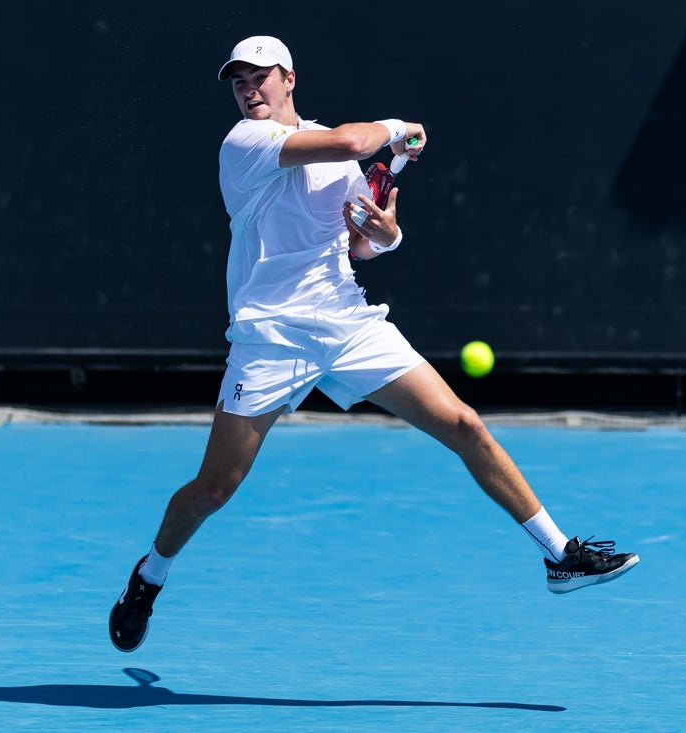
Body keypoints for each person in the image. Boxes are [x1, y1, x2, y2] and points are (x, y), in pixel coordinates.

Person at [109, 35, 639, 653]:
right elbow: (352, 143)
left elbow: (361, 242)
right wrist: (399, 129)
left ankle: (560, 554)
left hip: (347, 321)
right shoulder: (245, 143)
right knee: (215, 488)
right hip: (271, 335)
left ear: (288, 79)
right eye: (239, 82)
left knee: (464, 424)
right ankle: (150, 576)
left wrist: (388, 235)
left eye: (260, 77)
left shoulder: (331, 149)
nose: (249, 90)